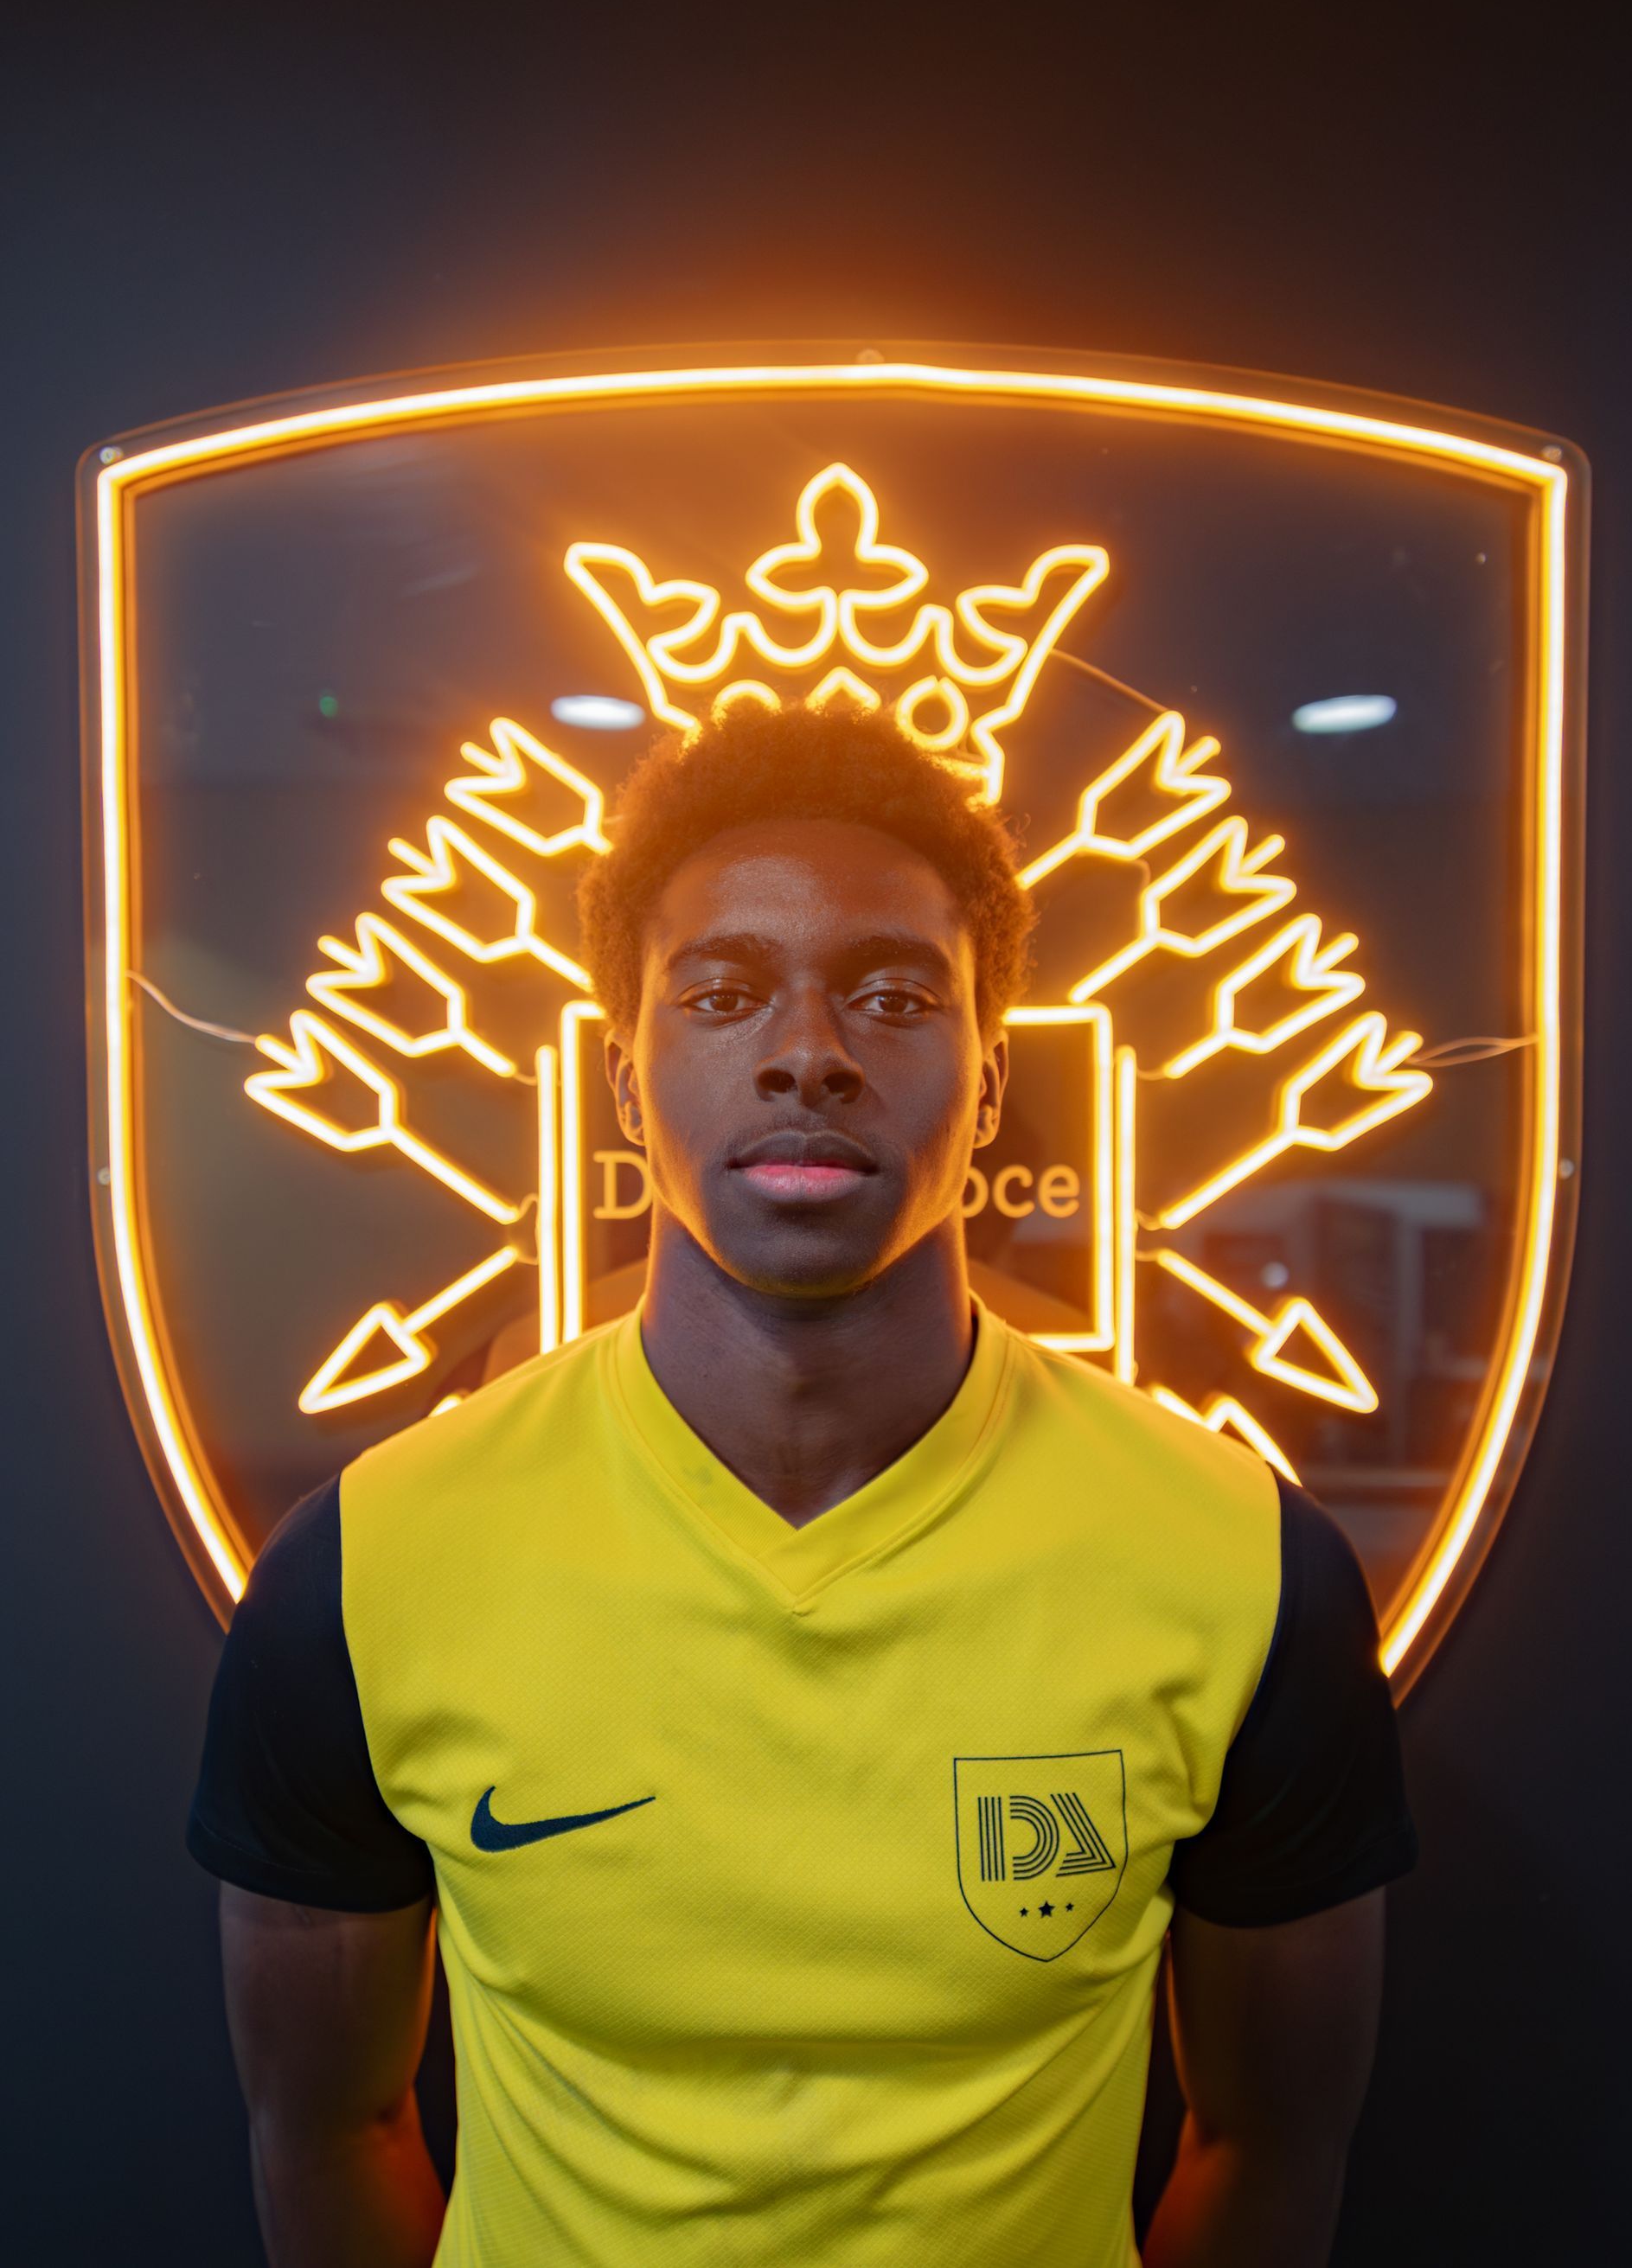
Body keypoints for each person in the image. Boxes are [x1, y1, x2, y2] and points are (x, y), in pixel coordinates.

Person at [189, 700, 1416, 2268]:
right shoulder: (363, 1572)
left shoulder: (1246, 1569)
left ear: (986, 1090)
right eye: (724, 991)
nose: (809, 1053)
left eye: (895, 995)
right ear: (626, 1083)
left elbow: (1270, 2151)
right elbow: (326, 2132)